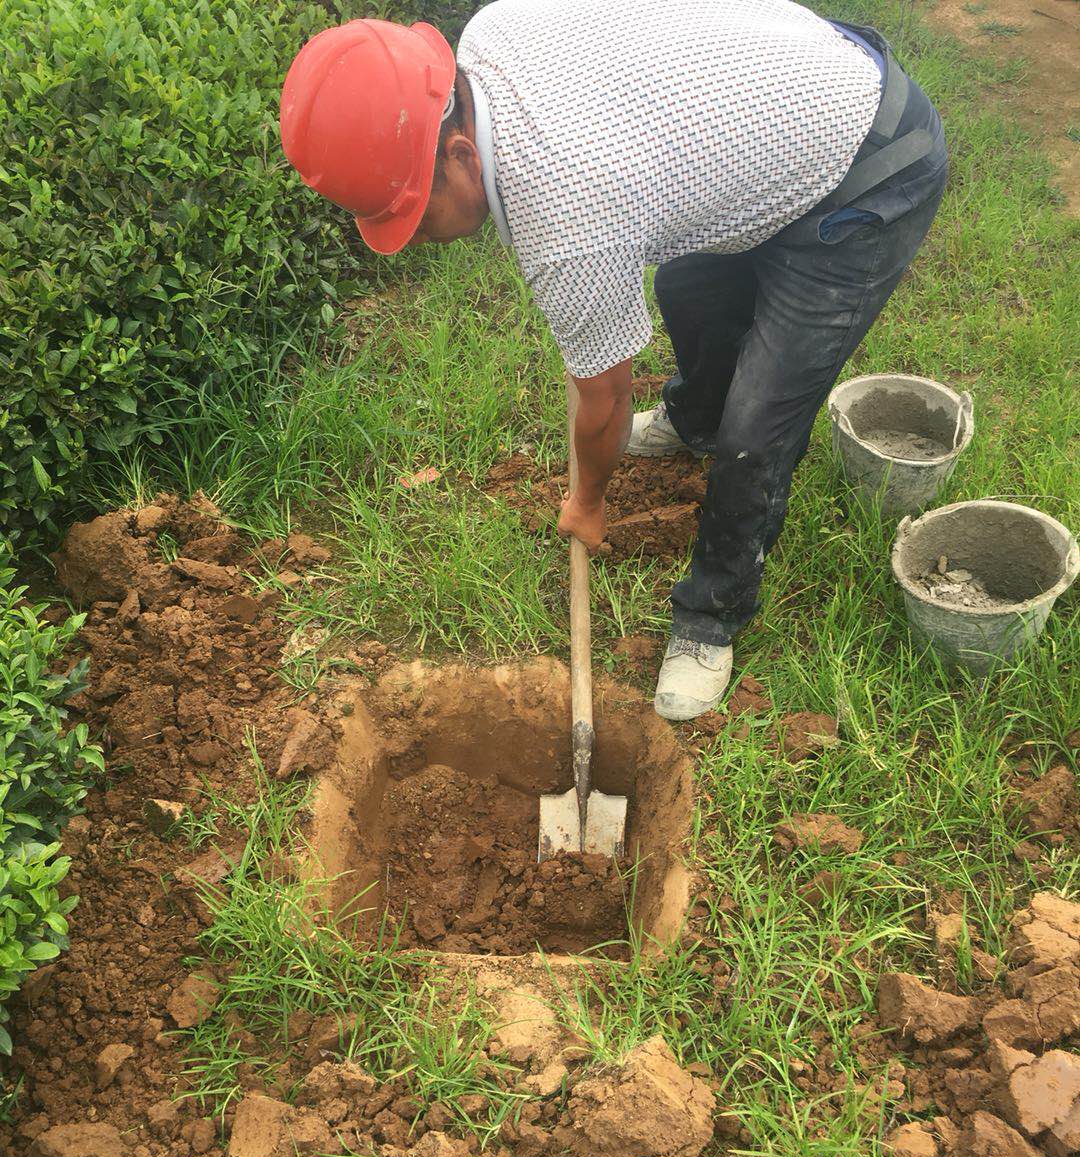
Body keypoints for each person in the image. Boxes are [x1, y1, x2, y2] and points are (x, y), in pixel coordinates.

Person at [280, 0, 947, 720]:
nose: (412, 237)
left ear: (462, 156)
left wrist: (588, 501)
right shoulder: (490, 35)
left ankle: (711, 617)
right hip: (788, 96)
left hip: (867, 162)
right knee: (686, 281)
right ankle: (694, 421)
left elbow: (602, 398)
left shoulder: (563, 215)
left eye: (414, 212)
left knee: (757, 427)